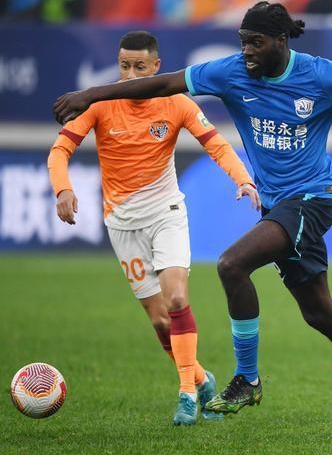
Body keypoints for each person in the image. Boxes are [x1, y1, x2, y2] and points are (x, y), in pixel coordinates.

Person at [52, 2, 332, 429]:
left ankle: (247, 379)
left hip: (313, 199)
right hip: (278, 205)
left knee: (232, 264)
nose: (247, 51)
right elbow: (162, 84)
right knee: (318, 311)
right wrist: (91, 95)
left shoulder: (320, 74)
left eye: (256, 42)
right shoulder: (229, 71)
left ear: (281, 41)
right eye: (243, 41)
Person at [48, 30, 260, 426]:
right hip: (122, 224)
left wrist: (243, 179)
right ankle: (201, 379)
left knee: (177, 300)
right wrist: (63, 189)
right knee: (161, 321)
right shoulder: (101, 104)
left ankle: (186, 394)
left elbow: (216, 144)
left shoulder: (176, 102)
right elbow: (60, 150)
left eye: (139, 67)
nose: (130, 75)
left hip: (166, 213)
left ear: (156, 66)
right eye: (124, 66)